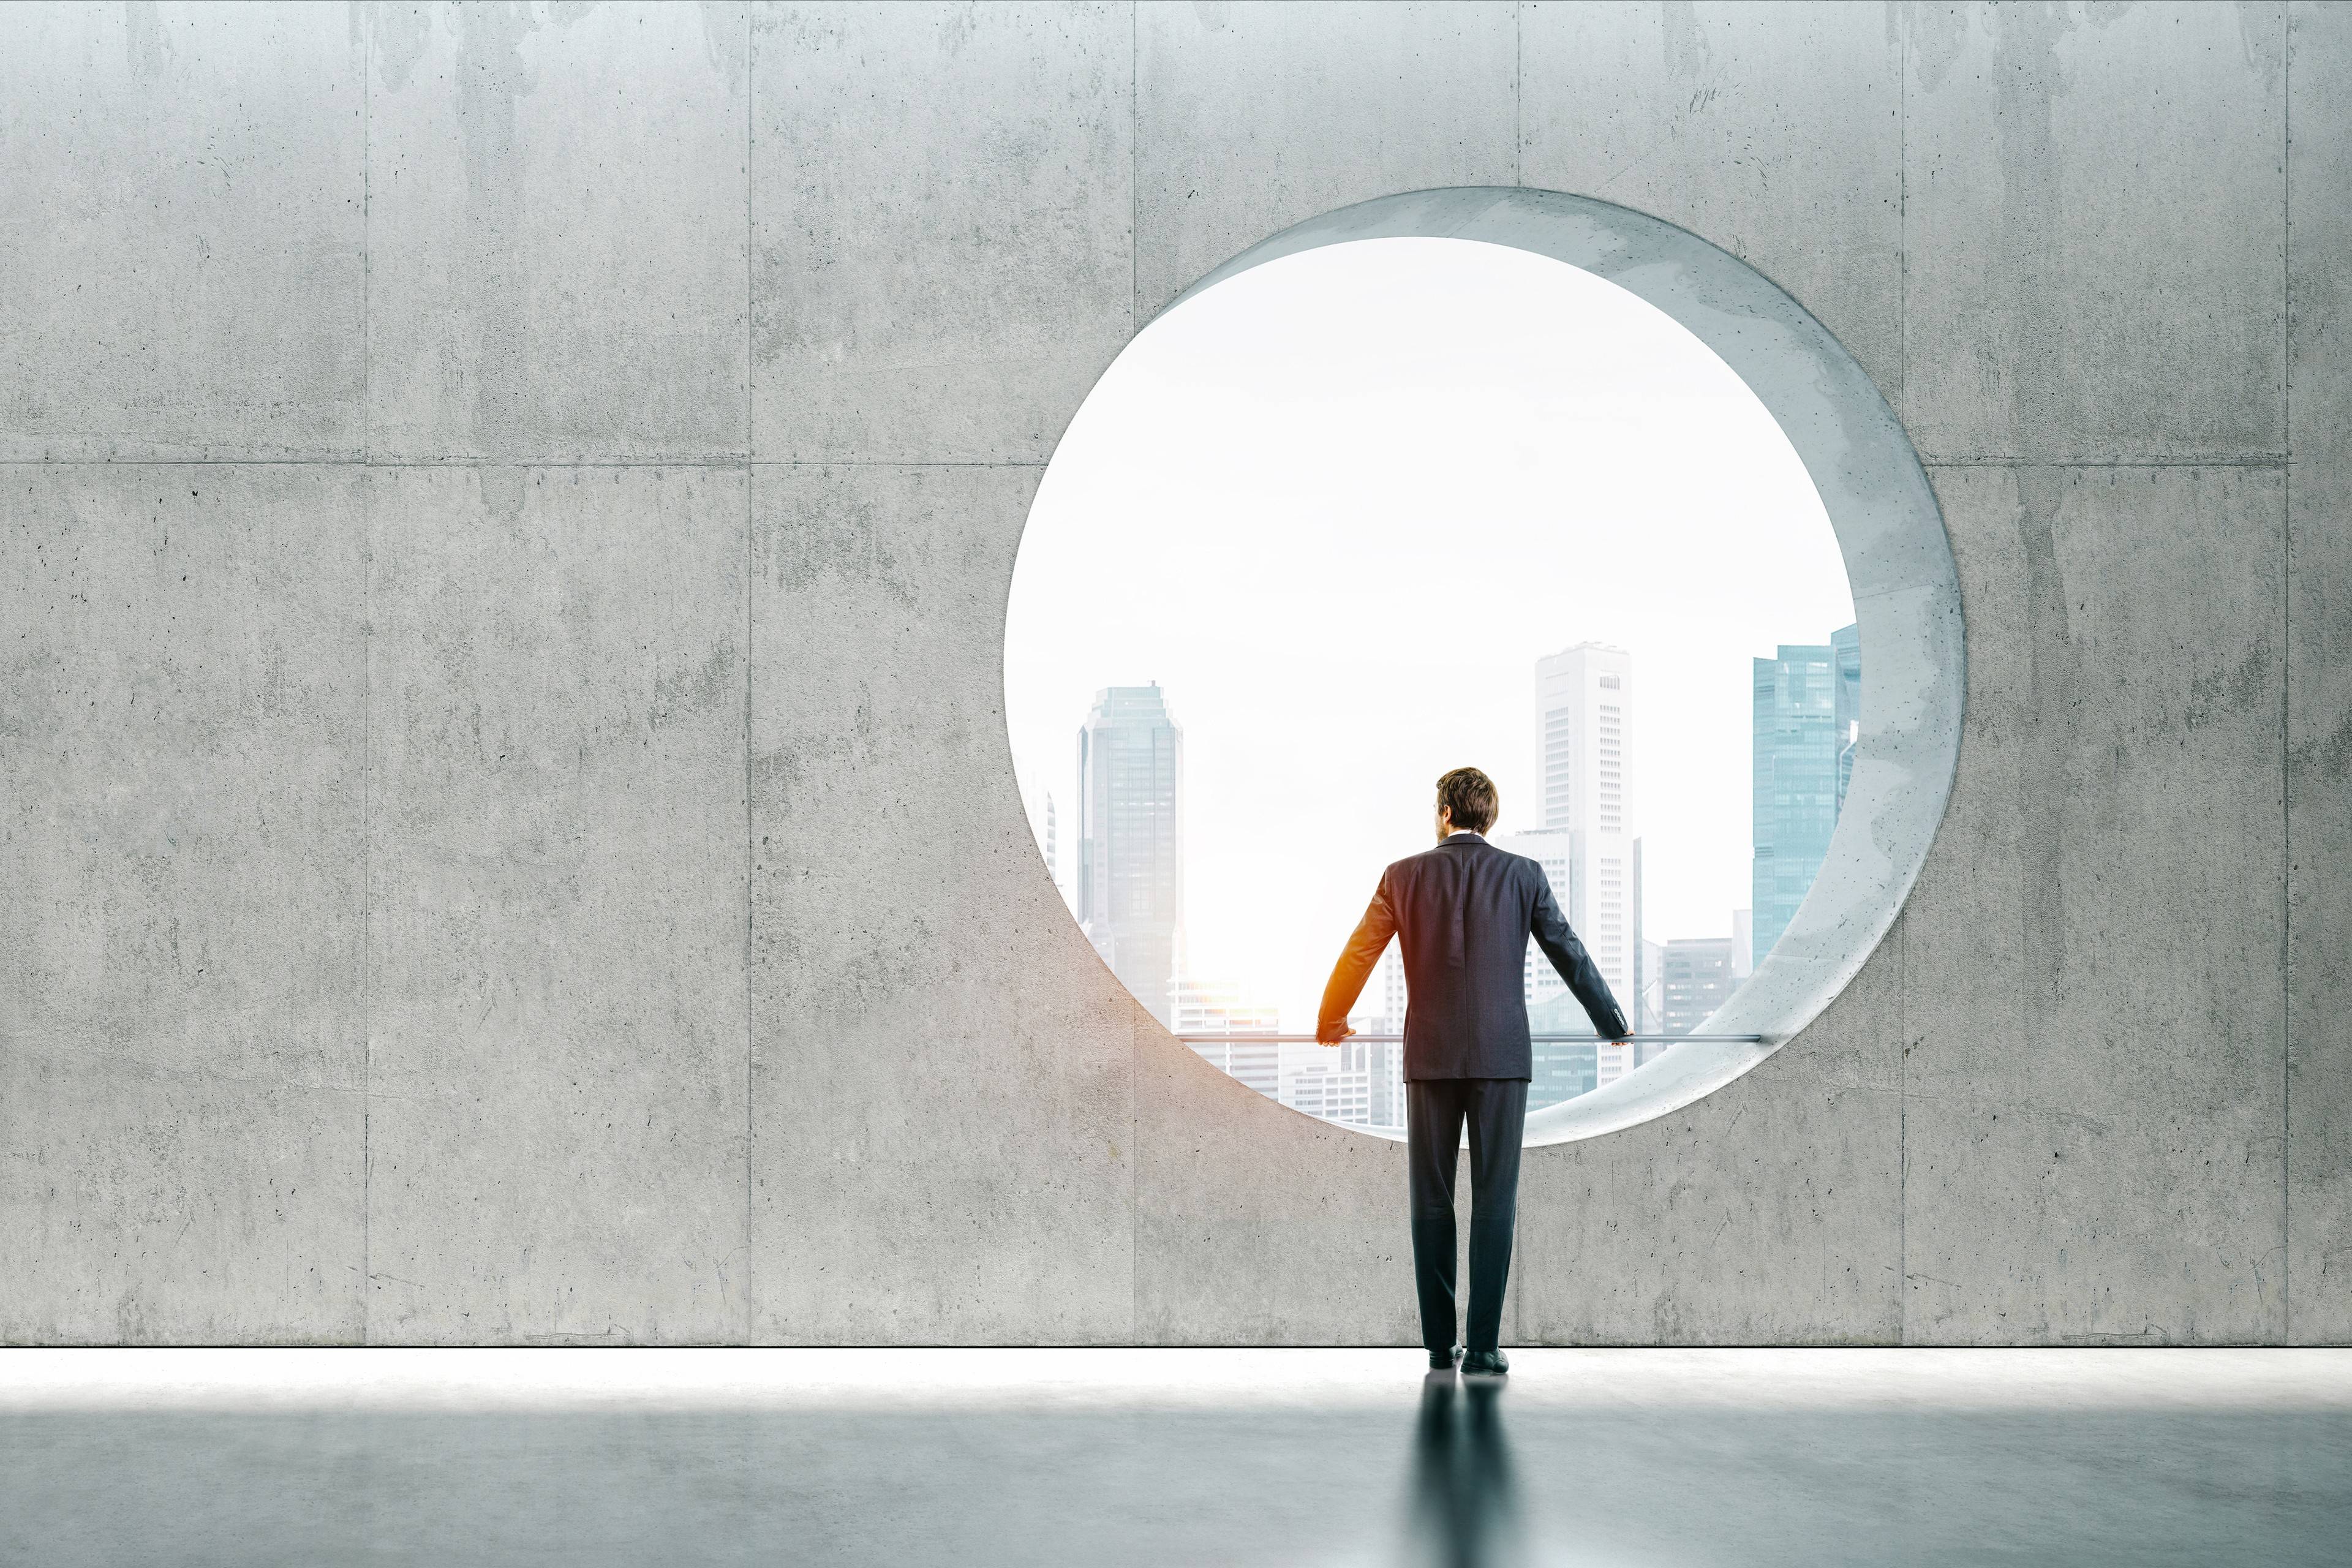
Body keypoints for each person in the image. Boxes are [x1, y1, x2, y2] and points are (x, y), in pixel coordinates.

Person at [1316, 766, 1631, 1377]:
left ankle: (1440, 1345)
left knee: (1431, 1200)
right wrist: (1611, 1022)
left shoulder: (1403, 875)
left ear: (1443, 813)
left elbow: (1361, 950)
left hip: (1430, 1057)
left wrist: (1332, 1019)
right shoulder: (1523, 875)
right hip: (1501, 1058)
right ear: (1489, 817)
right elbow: (1566, 948)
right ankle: (1482, 1347)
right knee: (1494, 1199)